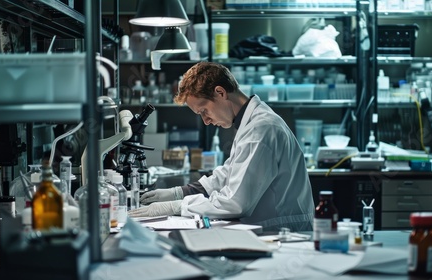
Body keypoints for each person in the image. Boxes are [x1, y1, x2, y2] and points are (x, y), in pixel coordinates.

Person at [128, 62, 314, 231]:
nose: (206, 121)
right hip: (271, 228)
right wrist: (178, 193)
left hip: (284, 232)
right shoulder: (250, 122)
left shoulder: (261, 129)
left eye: (204, 111)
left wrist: (177, 206)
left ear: (220, 92)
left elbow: (235, 203)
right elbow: (228, 174)